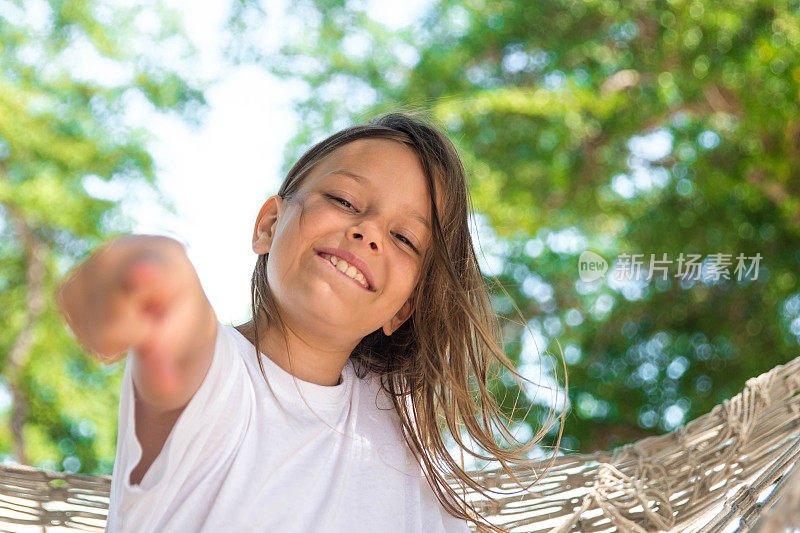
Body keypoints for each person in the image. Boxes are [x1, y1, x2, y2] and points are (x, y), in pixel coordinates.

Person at [57, 111, 563, 532]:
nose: (367, 232)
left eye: (405, 238)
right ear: (269, 225)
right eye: (344, 201)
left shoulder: (401, 428)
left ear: (404, 308)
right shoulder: (214, 378)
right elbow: (174, 309)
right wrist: (146, 269)